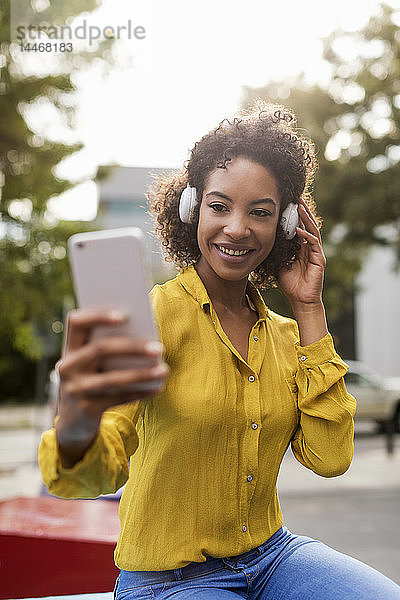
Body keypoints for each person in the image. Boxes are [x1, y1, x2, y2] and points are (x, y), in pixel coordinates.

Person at [38, 101, 400, 599]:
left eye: (261, 212)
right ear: (192, 209)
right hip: (170, 579)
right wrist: (77, 424)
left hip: (273, 558)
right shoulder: (154, 317)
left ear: (287, 225)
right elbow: (85, 480)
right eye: (219, 206)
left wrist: (309, 307)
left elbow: (330, 457)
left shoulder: (285, 336)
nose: (237, 228)